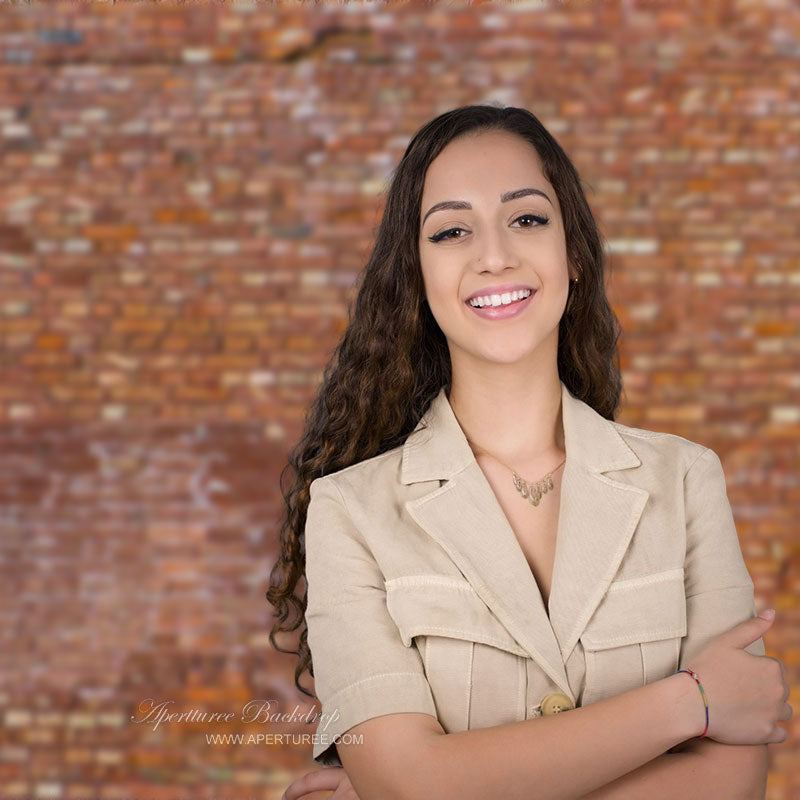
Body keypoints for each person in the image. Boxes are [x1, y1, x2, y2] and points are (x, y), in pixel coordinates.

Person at [268, 104, 792, 800]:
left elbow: (732, 784)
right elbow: (410, 785)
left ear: (571, 251)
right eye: (452, 231)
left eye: (527, 218)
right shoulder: (349, 512)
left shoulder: (686, 480)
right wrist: (689, 703)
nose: (494, 256)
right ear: (416, 277)